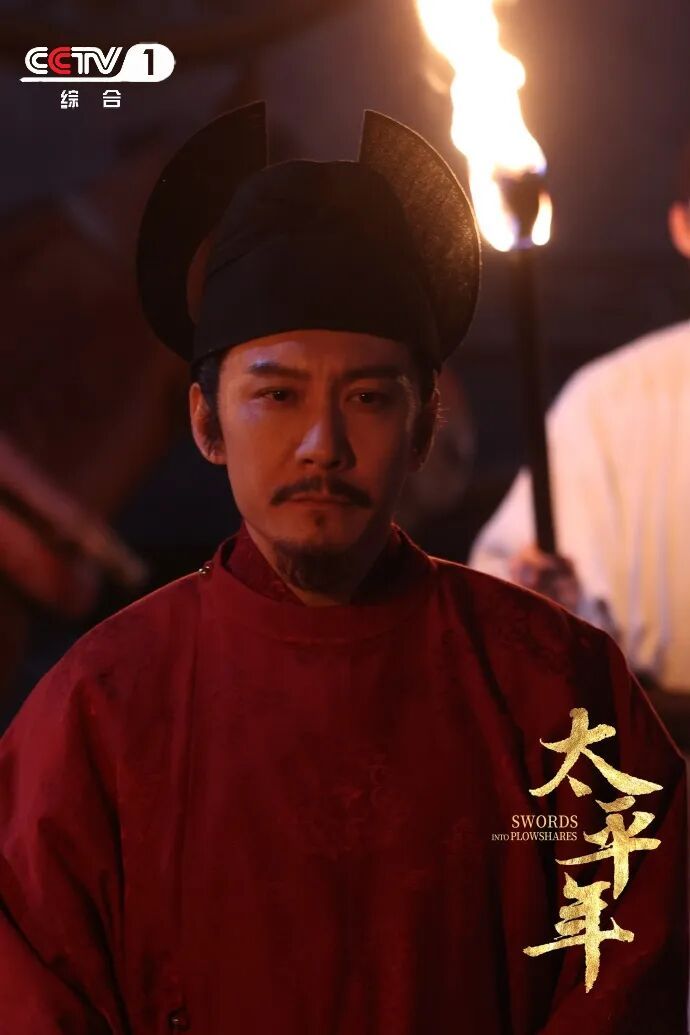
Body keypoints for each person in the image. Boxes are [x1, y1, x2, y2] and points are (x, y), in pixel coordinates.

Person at [0, 102, 686, 1034]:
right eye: (277, 395)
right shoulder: (99, 710)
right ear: (205, 420)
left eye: (368, 397)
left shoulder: (555, 686)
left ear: (426, 422)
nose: (321, 443)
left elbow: (630, 962)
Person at [470, 143, 690, 710]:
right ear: (683, 227)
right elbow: (503, 593)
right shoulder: (613, 401)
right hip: (660, 743)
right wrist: (542, 605)